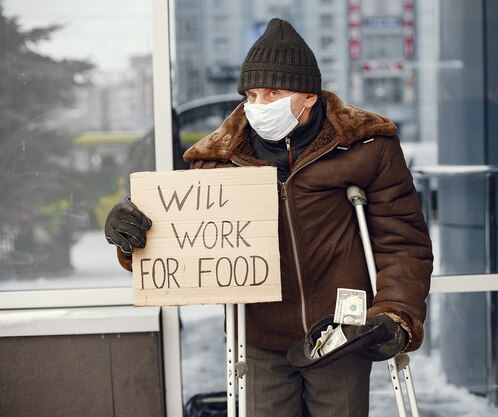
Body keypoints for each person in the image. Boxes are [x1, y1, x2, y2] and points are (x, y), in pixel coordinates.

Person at [105, 18, 433, 417]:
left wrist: (395, 312)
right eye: (252, 94)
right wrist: (131, 238)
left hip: (339, 333)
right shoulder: (217, 162)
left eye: (273, 92)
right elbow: (183, 244)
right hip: (258, 337)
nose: (259, 105)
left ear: (309, 96)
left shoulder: (366, 147)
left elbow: (402, 241)